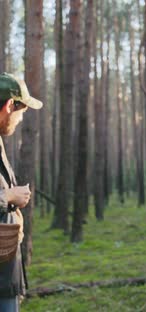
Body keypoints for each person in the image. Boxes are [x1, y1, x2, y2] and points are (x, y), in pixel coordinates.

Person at [0, 73, 43, 312]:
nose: (21, 118)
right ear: (9, 106)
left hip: (5, 274)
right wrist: (8, 197)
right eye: (21, 110)